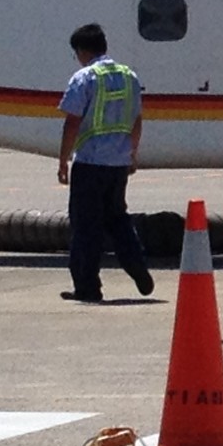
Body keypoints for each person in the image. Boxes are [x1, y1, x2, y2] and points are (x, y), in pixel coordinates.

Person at [56, 22, 154, 303]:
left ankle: (88, 287)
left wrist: (63, 161)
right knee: (118, 219)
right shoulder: (129, 77)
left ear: (82, 51)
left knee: (86, 227)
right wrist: (132, 154)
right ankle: (137, 266)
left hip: (89, 163)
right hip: (118, 164)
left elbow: (72, 122)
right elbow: (136, 120)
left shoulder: (84, 78)